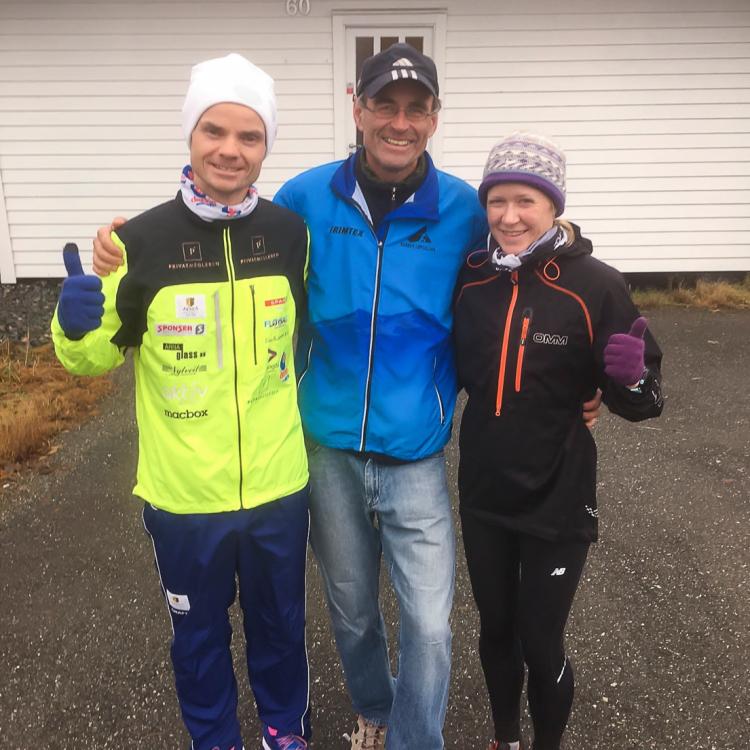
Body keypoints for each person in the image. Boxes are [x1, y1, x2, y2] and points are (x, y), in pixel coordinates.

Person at [90, 46, 601, 750]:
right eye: (384, 106)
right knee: (354, 612)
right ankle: (374, 708)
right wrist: (126, 250)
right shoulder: (302, 199)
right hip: (324, 445)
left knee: (428, 621)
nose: (399, 122)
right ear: (355, 107)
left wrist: (577, 372)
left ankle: (413, 740)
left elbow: (532, 260)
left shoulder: (461, 209)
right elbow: (223, 228)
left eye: (415, 109)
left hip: (415, 451)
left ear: (434, 118)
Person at [51, 54, 312, 750]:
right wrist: (74, 321)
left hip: (278, 488)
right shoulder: (139, 241)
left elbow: (306, 340)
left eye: (249, 136)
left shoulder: (290, 236)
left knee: (282, 628)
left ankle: (286, 732)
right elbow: (92, 357)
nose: (230, 149)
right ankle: (214, 740)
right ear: (190, 138)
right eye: (214, 130)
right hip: (182, 496)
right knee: (198, 639)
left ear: (266, 147)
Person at [452, 132, 665, 750]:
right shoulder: (471, 279)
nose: (509, 217)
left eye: (526, 201)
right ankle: (504, 738)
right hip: (485, 491)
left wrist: (632, 380)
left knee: (540, 641)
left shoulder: (596, 284)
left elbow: (644, 405)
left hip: (557, 498)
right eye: (497, 201)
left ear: (554, 206)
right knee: (495, 630)